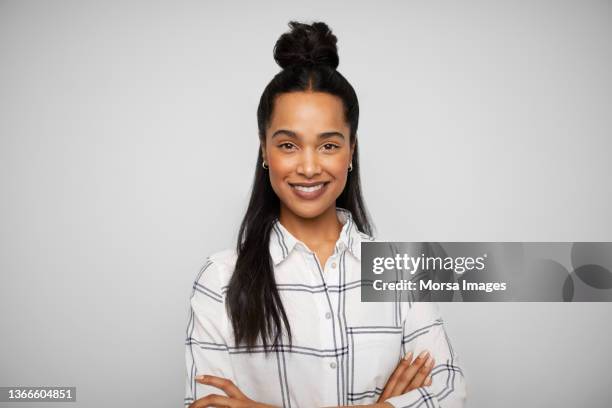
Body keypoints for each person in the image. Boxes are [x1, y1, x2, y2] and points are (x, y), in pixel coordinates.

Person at [185, 21, 467, 408]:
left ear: (351, 150)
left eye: (329, 145)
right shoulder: (220, 280)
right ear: (264, 151)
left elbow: (449, 392)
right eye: (288, 144)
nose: (308, 166)